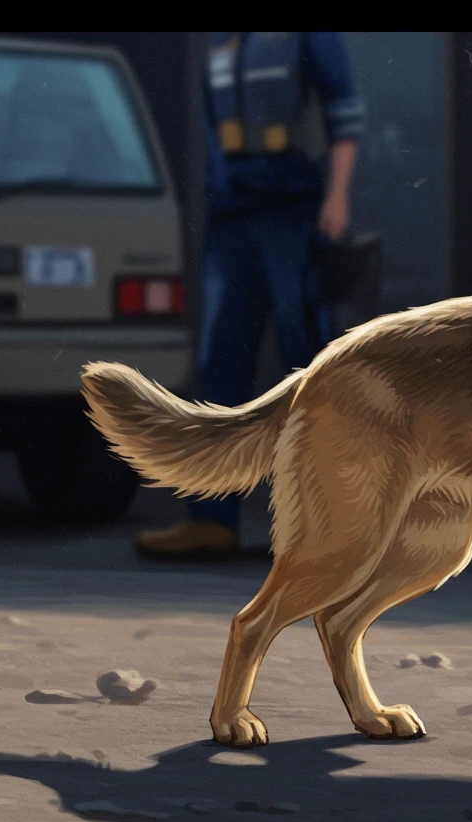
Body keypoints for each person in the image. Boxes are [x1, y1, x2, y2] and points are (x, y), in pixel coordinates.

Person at [135, 32, 364, 558]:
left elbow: (343, 111)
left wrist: (337, 196)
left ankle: (332, 522)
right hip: (233, 219)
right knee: (221, 367)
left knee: (310, 368)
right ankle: (211, 519)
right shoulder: (219, 41)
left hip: (294, 214)